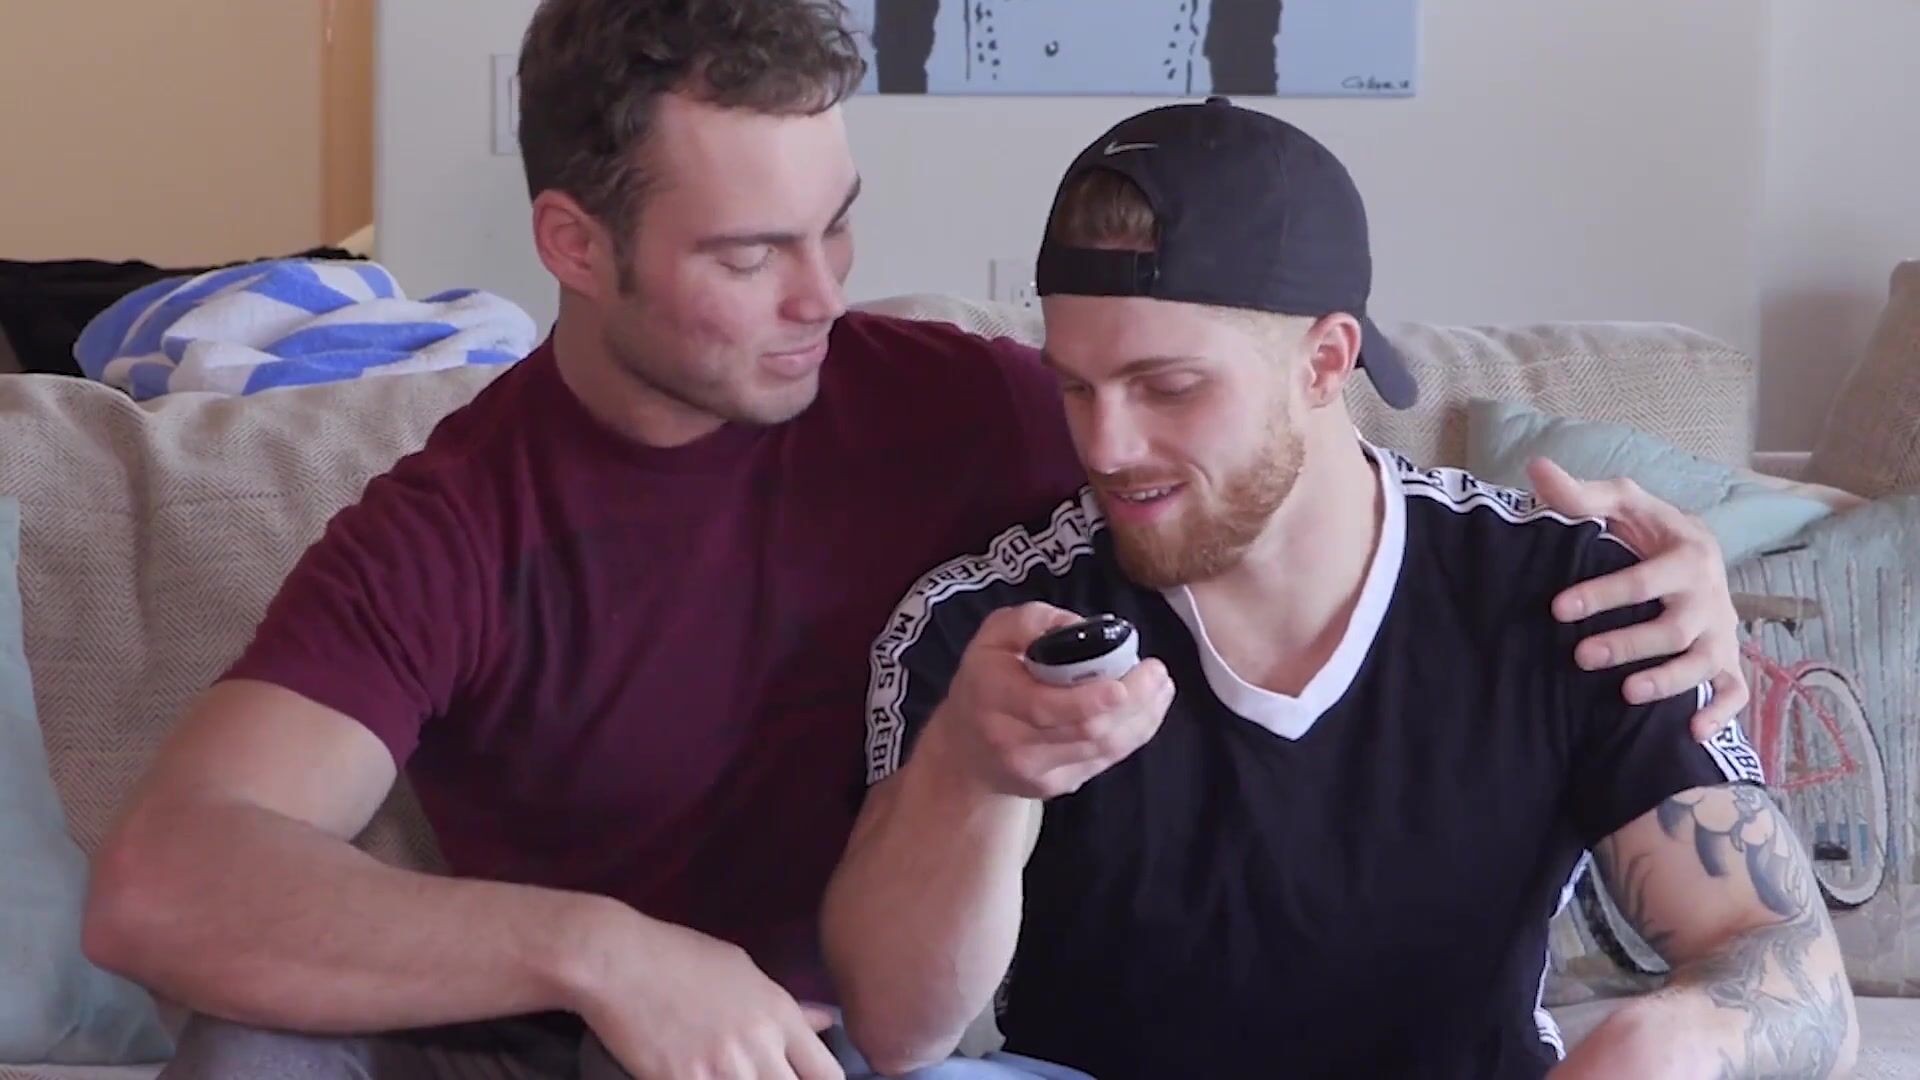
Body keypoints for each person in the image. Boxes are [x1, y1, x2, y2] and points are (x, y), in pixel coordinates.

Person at [78, 2, 1750, 1078]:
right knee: (247, 1047)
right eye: (750, 256)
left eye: (840, 226)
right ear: (574, 245)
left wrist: (1674, 587)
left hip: (880, 1051)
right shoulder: (454, 525)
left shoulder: (979, 407)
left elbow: (1272, 462)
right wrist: (597, 951)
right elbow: (166, 878)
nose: (823, 296)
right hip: (567, 1040)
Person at [819, 99, 1857, 1080]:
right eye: (1076, 388)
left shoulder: (1567, 596)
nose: (1108, 445)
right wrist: (971, 769)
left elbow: (1785, 964)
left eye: (1168, 387)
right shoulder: (990, 628)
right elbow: (899, 1036)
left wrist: (1662, 1043)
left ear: (1324, 360)